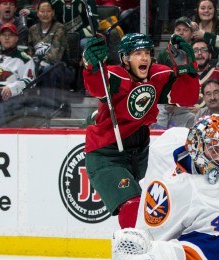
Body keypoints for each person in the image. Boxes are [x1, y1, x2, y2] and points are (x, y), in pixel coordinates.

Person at [111, 114, 219, 260]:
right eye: (215, 149)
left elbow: (200, 259)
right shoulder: (170, 142)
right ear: (197, 143)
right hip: (160, 247)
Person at [82, 33, 199, 229]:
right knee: (133, 206)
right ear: (125, 59)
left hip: (141, 153)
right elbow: (97, 87)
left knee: (167, 197)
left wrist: (187, 70)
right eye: (137, 53)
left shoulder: (156, 76)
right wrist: (92, 66)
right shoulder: (115, 76)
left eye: (147, 53)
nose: (144, 58)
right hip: (106, 155)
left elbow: (187, 97)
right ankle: (134, 250)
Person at [0, 23, 35, 126]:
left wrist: (11, 88)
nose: (7, 38)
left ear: (16, 38)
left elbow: (29, 80)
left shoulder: (25, 59)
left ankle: (1, 133)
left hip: (10, 96)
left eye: (11, 35)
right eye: (4, 35)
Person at [27, 0, 70, 111]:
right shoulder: (32, 29)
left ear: (53, 12)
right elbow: (29, 49)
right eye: (42, 11)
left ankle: (48, 107)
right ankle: (28, 106)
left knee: (48, 69)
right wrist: (33, 62)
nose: (45, 14)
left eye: (48, 11)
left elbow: (56, 53)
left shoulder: (60, 28)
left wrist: (41, 63)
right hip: (37, 64)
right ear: (37, 13)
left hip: (59, 66)